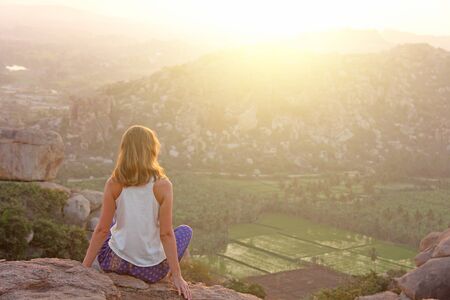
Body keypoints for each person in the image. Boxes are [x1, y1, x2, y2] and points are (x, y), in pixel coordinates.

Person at [82, 125, 192, 300]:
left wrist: (84, 268)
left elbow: (102, 230)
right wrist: (178, 276)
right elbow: (166, 234)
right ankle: (170, 273)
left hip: (114, 262)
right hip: (150, 272)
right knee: (185, 231)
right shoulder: (163, 185)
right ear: (152, 150)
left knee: (110, 224)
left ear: (124, 150)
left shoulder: (114, 182)